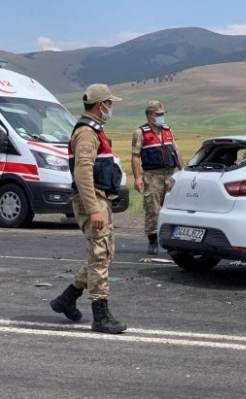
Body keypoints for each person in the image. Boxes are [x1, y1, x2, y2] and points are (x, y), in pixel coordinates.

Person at [49, 84, 127, 334]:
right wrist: (93, 208)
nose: (110, 108)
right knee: (100, 256)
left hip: (100, 199)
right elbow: (82, 171)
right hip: (92, 200)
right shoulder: (86, 133)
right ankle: (100, 316)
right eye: (109, 103)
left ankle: (67, 298)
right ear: (100, 104)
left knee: (102, 254)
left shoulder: (95, 130)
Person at [131, 101, 184, 254]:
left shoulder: (168, 130)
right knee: (152, 209)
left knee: (173, 209)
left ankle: (173, 242)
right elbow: (135, 156)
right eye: (158, 114)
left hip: (170, 175)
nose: (161, 116)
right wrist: (137, 178)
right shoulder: (140, 133)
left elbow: (176, 151)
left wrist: (183, 171)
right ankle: (153, 242)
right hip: (152, 176)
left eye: (162, 114)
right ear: (149, 115)